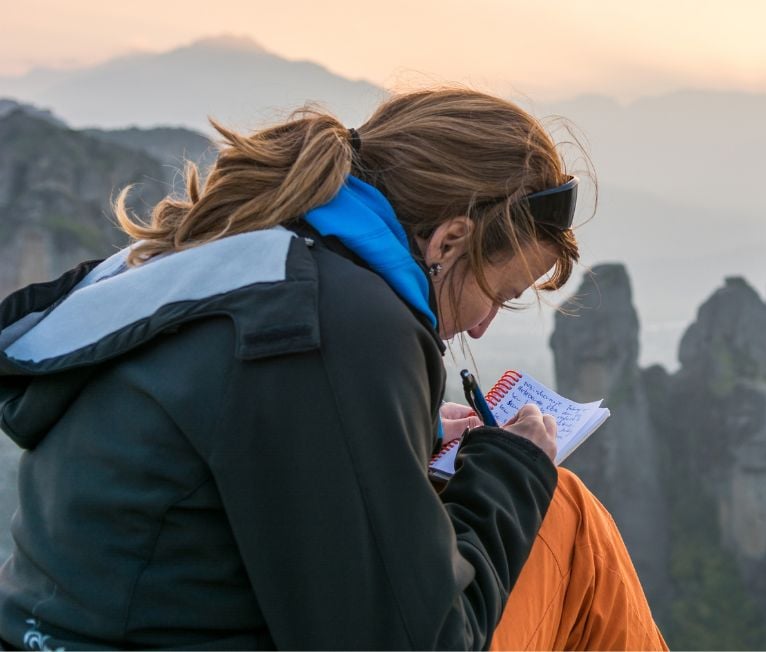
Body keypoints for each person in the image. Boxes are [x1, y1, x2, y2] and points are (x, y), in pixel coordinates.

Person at [0, 88, 666, 650]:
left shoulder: (249, 256)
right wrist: (513, 468)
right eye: (496, 292)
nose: (484, 325)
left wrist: (399, 432)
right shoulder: (336, 325)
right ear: (450, 240)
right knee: (560, 512)